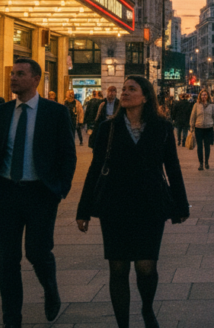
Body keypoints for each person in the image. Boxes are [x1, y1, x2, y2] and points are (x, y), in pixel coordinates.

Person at [76, 76, 190, 328]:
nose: (124, 93)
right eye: (123, 89)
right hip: (115, 206)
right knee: (118, 269)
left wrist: (181, 205)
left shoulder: (162, 127)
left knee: (146, 267)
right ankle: (123, 324)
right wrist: (83, 210)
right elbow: (95, 170)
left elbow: (172, 168)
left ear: (146, 96)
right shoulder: (108, 128)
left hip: (151, 206)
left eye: (131, 89)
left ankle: (147, 307)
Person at [0, 58, 77, 328]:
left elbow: (68, 155)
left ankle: (50, 288)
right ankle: (12, 319)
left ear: (35, 79)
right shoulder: (0, 111)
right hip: (5, 194)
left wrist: (60, 189)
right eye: (12, 73)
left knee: (37, 252)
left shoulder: (55, 112)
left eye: (20, 74)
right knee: (7, 260)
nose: (13, 78)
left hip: (40, 194)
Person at [190, 90, 214, 170]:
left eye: (205, 95)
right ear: (200, 96)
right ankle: (201, 164)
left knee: (207, 146)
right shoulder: (196, 105)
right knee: (199, 147)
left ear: (208, 96)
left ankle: (206, 162)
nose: (204, 96)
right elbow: (193, 116)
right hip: (198, 128)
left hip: (208, 128)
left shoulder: (212, 105)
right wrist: (192, 126)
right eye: (202, 95)